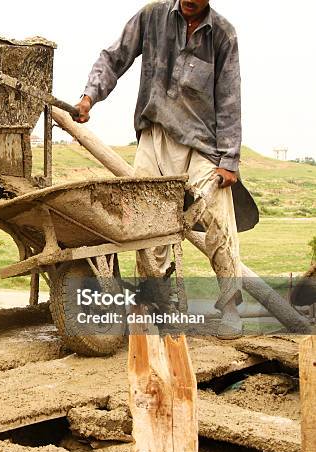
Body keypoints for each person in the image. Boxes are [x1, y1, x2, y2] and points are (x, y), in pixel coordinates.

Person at [75, 0, 244, 338]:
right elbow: (114, 57)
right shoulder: (151, 16)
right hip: (154, 137)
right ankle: (156, 307)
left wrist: (229, 161)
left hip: (201, 145)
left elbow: (229, 97)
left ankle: (229, 307)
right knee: (145, 225)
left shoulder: (222, 34)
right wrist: (89, 97)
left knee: (218, 216)